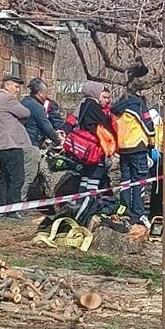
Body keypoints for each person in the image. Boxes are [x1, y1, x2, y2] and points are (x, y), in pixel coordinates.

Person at [111, 86, 156, 225]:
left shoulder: (117, 108)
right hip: (138, 146)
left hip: (123, 148)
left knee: (125, 181)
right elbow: (148, 124)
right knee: (139, 181)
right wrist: (152, 142)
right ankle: (138, 214)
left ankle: (125, 210)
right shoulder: (138, 105)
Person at [72, 81, 113, 226]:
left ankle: (78, 210)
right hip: (95, 150)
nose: (107, 100)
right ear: (96, 93)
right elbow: (105, 126)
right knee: (92, 183)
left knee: (85, 181)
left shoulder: (83, 105)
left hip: (86, 153)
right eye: (104, 96)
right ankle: (85, 216)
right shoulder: (93, 107)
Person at [0, 74, 30, 215]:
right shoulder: (7, 98)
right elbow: (25, 112)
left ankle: (1, 208)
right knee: (17, 178)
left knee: (5, 177)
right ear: (7, 85)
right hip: (11, 143)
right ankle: (13, 210)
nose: (17, 90)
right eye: (16, 86)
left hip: (1, 144)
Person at [22, 78, 62, 200]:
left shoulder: (24, 102)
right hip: (32, 143)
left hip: (20, 141)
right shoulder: (37, 107)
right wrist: (58, 140)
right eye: (46, 93)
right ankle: (18, 204)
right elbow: (46, 126)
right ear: (40, 93)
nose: (47, 96)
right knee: (29, 175)